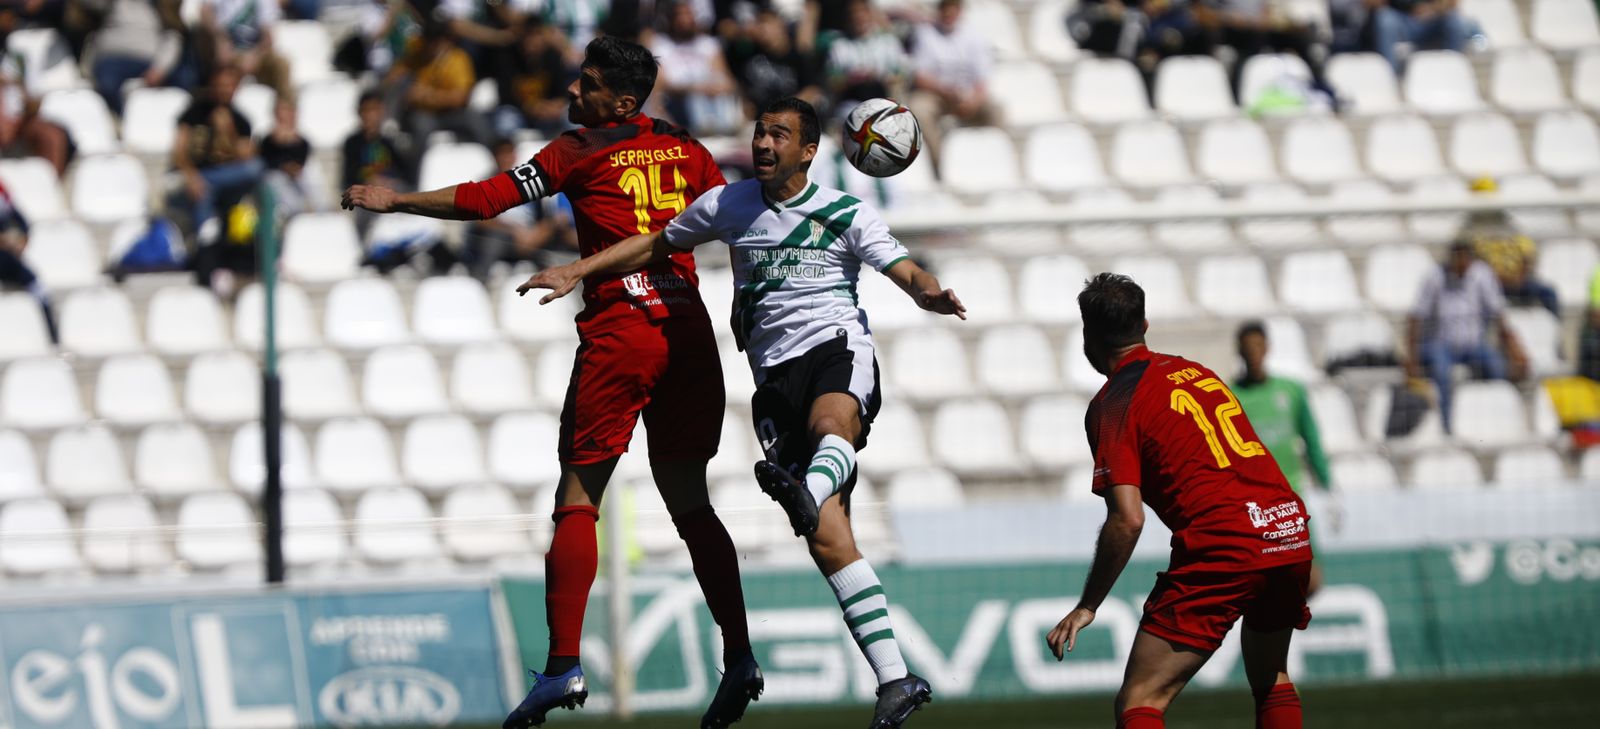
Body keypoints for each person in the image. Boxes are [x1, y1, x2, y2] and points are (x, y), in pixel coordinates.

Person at [342, 36, 761, 729]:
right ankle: (740, 652)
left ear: (620, 102)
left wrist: (397, 200)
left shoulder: (578, 150)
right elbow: (735, 219)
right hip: (688, 332)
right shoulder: (686, 148)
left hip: (623, 333)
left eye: (587, 84)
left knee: (578, 499)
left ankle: (563, 664)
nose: (572, 91)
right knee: (691, 503)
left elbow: (488, 199)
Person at [518, 96, 965, 729]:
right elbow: (654, 244)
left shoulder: (845, 211)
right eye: (759, 132)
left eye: (778, 135)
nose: (762, 143)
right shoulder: (728, 205)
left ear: (808, 151)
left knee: (832, 426)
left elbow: (908, 271)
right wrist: (578, 268)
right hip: (772, 376)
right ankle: (896, 679)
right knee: (828, 538)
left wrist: (931, 294)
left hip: (834, 347)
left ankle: (808, 489)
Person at [1047, 273, 1313, 729]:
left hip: (1226, 541)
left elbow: (1127, 520)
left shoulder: (1113, 404)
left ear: (1088, 336)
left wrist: (1088, 604)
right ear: (1145, 325)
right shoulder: (1197, 372)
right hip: (1285, 529)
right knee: (1271, 676)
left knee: (1141, 700)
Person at [1233, 321, 1333, 596]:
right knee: (1261, 582)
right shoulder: (1230, 397)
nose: (1253, 353)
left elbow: (1311, 438)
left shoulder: (1291, 391)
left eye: (1258, 346)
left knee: (1310, 579)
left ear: (1267, 348)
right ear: (1239, 352)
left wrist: (1327, 483)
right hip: (1254, 505)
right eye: (1247, 348)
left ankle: (1283, 615)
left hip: (1291, 499)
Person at [1406, 240, 1528, 430]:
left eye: (1466, 261)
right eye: (1458, 260)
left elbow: (1498, 314)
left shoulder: (1482, 275)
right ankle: (1447, 427)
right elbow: (1416, 317)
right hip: (1440, 345)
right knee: (1442, 373)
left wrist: (1514, 348)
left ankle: (1500, 422)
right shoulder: (1434, 277)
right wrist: (1411, 358)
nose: (1462, 266)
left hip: (1473, 345)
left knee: (1497, 367)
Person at [172, 63, 262, 247]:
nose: (224, 90)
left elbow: (246, 157)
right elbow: (179, 151)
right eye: (220, 85)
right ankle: (207, 241)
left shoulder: (241, 120)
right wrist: (191, 175)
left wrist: (229, 131)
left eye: (229, 85)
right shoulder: (195, 112)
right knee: (203, 192)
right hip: (196, 173)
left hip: (223, 176)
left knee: (256, 168)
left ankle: (211, 233)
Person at [464, 138, 578, 282]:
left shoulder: (527, 182)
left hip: (531, 236)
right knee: (493, 240)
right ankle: (481, 280)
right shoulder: (485, 185)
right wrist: (515, 231)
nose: (506, 158)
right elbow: (480, 220)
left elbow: (542, 217)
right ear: (494, 157)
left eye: (509, 153)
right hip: (505, 236)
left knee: (563, 230)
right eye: (502, 154)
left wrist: (538, 232)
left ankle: (567, 279)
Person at [908, 0, 992, 161]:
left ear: (959, 10)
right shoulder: (925, 34)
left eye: (953, 8)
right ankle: (939, 162)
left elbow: (982, 78)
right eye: (945, 8)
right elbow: (920, 77)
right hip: (935, 94)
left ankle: (992, 159)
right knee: (919, 110)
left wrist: (974, 101)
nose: (948, 13)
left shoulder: (974, 35)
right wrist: (945, 91)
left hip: (967, 94)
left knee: (996, 110)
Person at [383, 21, 492, 145]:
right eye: (429, 40)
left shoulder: (458, 59)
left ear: (446, 40)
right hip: (424, 113)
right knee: (421, 127)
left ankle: (494, 153)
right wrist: (405, 90)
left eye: (436, 40)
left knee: (475, 120)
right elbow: (392, 78)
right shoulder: (418, 53)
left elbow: (461, 98)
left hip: (452, 113)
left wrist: (429, 95)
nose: (432, 45)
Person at [649, 0, 742, 136]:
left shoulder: (708, 44)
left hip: (710, 94)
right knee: (695, 91)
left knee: (717, 83)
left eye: (689, 14)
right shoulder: (661, 45)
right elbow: (661, 84)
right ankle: (704, 129)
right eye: (680, 15)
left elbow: (724, 77)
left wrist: (719, 87)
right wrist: (694, 88)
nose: (685, 20)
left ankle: (725, 127)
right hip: (679, 98)